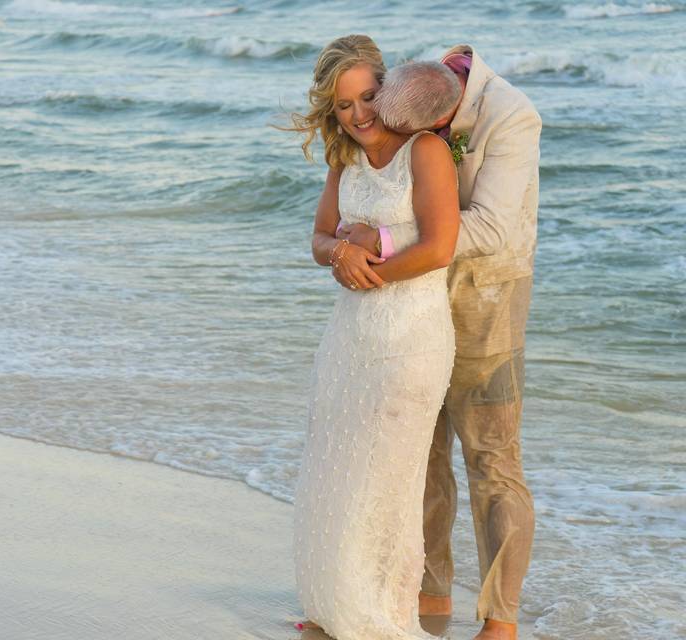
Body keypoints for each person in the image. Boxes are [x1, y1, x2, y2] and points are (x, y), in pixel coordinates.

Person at [334, 46, 542, 640]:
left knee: (492, 455)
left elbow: (494, 225)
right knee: (418, 447)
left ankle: (501, 617)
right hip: (414, 298)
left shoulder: (512, 116)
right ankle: (430, 591)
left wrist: (385, 234)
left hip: (488, 294)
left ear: (445, 120)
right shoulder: (412, 84)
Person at [283, 34, 460, 640]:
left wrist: (371, 268)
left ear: (389, 91)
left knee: (386, 476)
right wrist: (339, 253)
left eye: (366, 98)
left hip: (412, 337)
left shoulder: (427, 151)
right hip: (350, 336)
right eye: (342, 106)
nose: (357, 115)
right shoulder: (344, 159)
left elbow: (439, 247)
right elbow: (318, 237)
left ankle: (378, 615)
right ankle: (334, 606)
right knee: (335, 465)